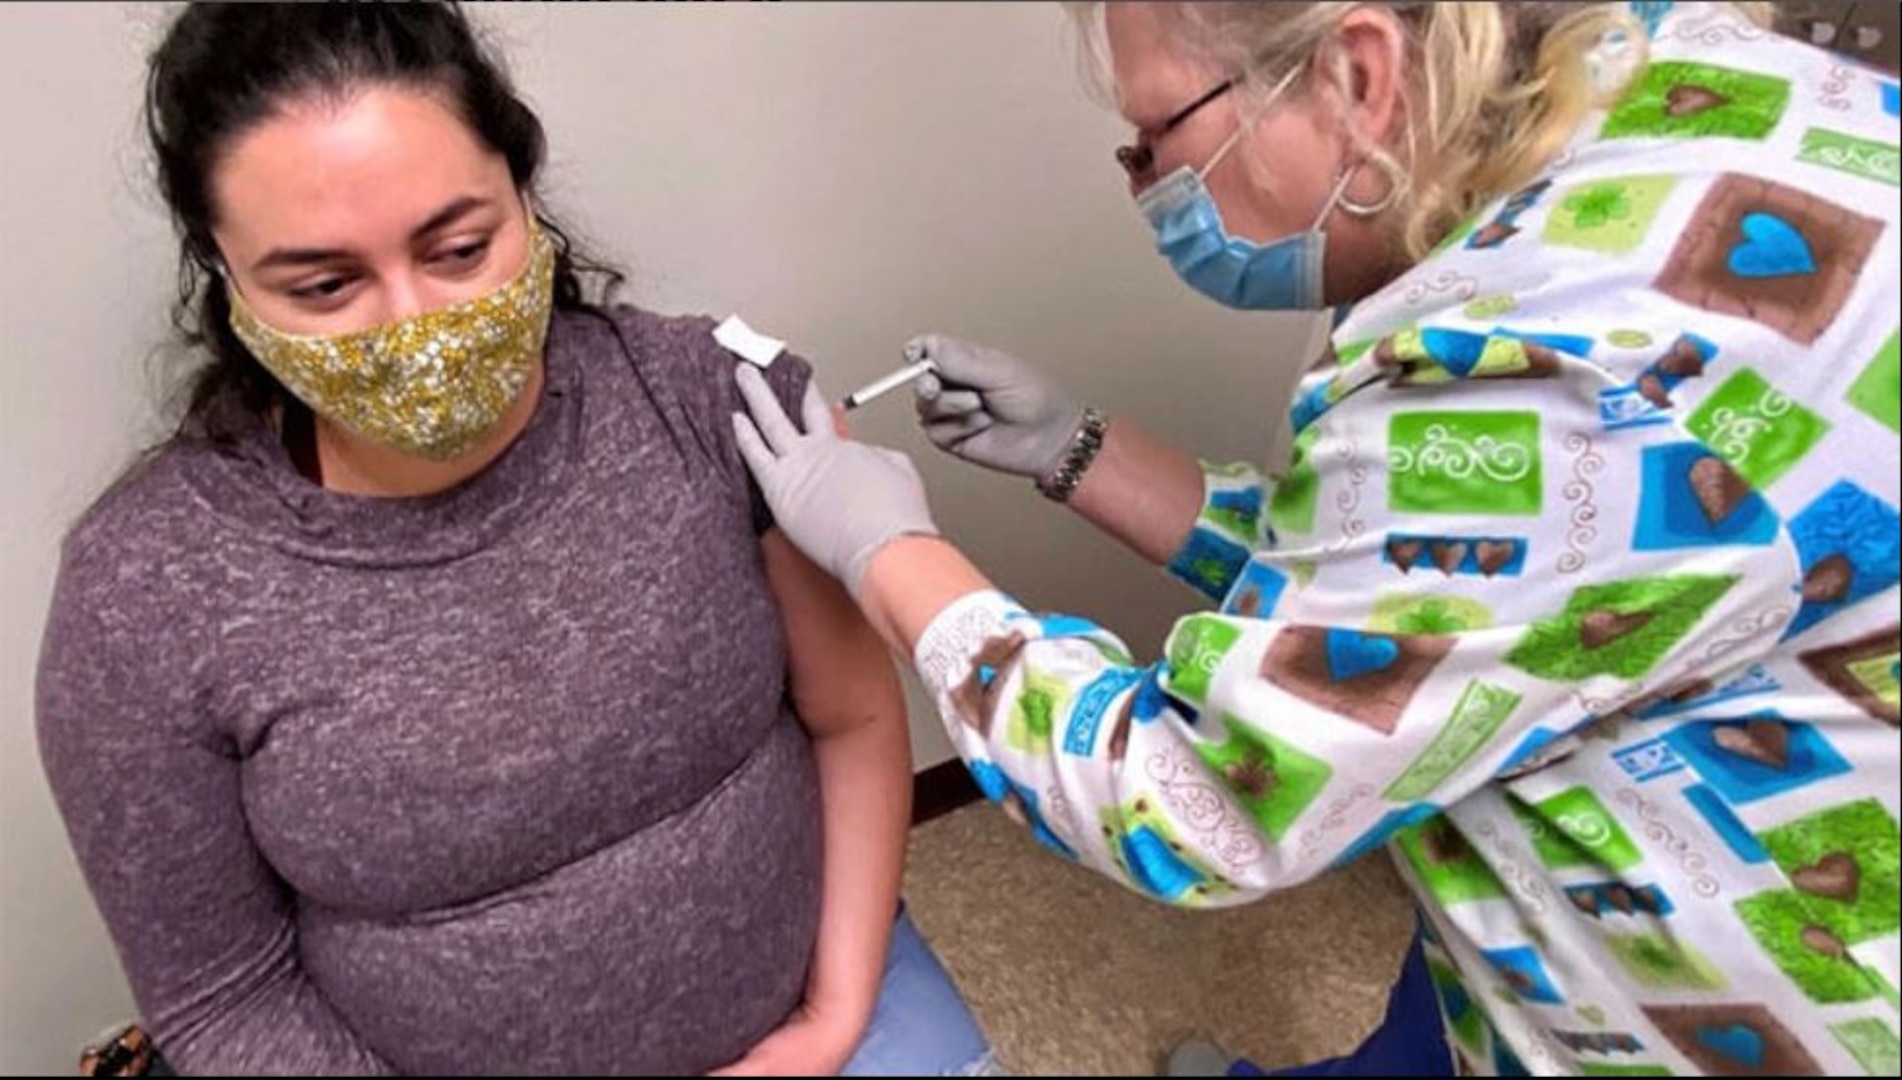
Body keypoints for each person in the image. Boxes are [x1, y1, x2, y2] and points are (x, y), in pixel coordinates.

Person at [733, 1, 1899, 1074]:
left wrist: (887, 552)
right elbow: (1435, 599)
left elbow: (1195, 804)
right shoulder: (1677, 68)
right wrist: (1080, 450)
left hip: (1729, 990)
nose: (1144, 186)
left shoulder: (1547, 375)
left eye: (1157, 138)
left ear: (1358, 71)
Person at [35, 4, 993, 1075]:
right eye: (324, 285)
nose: (413, 326)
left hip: (821, 1011)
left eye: (458, 247)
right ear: (226, 274)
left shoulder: (720, 405)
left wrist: (829, 1023)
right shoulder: (144, 592)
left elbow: (857, 717)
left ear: (524, 198)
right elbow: (224, 1000)